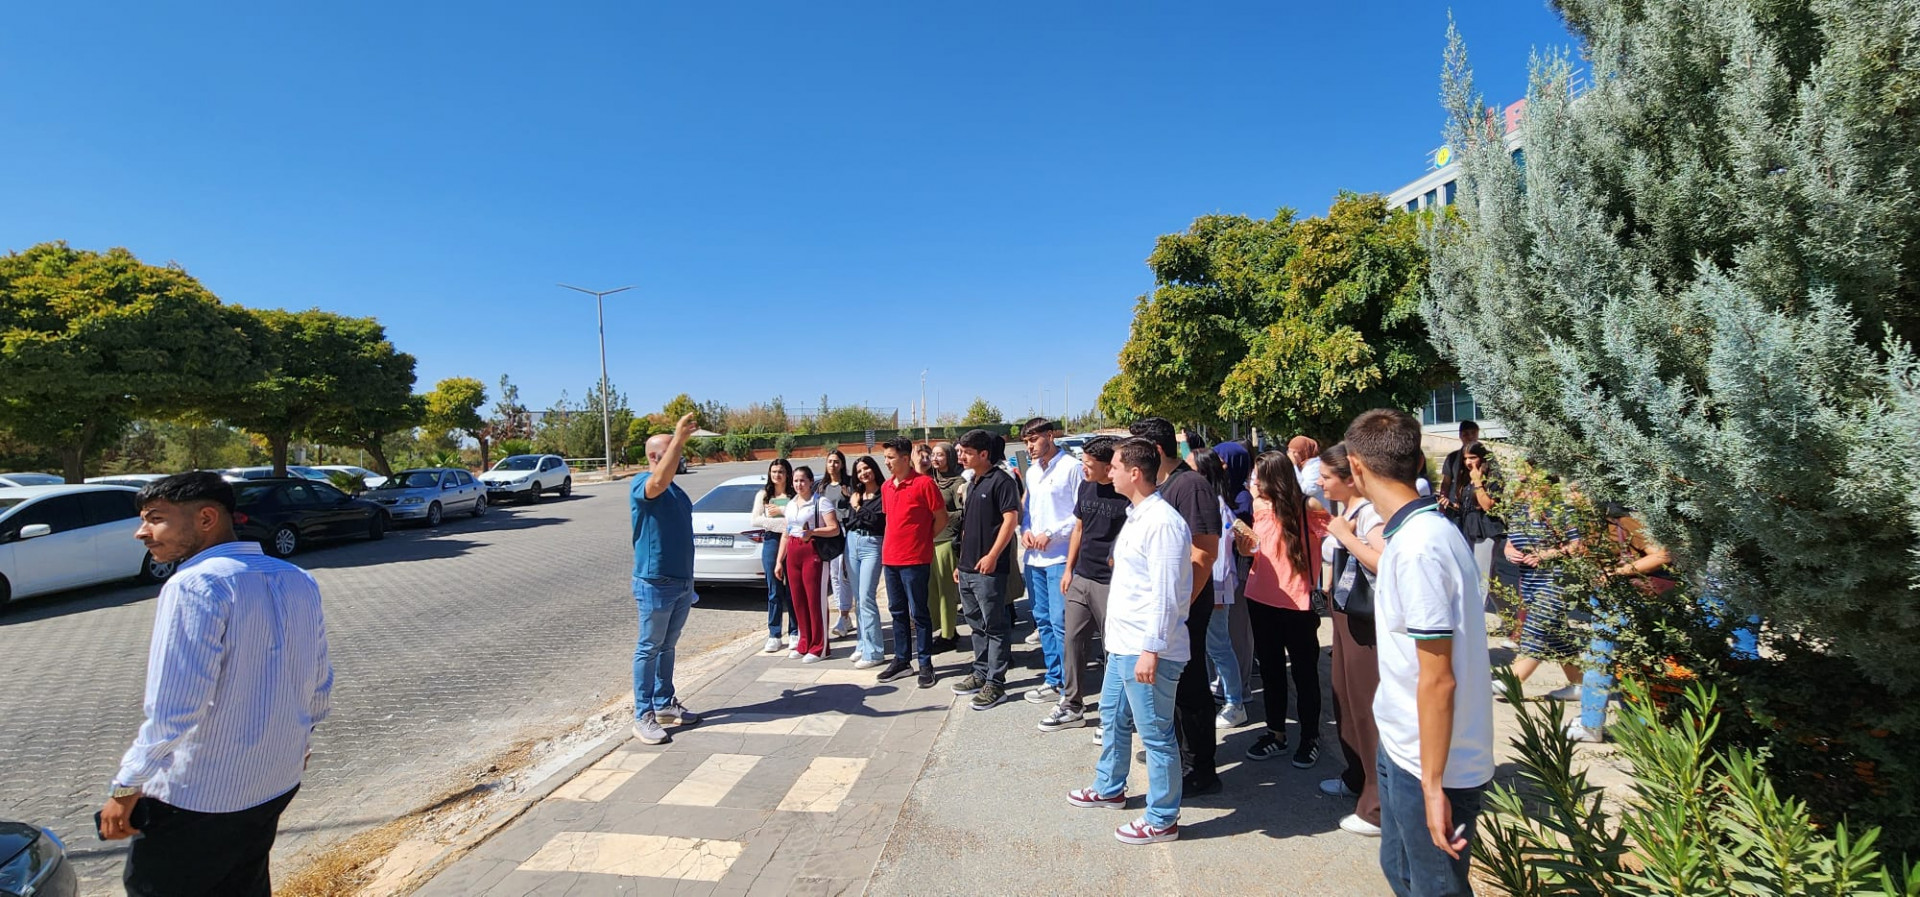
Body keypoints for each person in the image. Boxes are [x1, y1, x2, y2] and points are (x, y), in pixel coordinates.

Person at [101, 472, 333, 895]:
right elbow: (318, 683)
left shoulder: (194, 584)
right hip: (275, 781)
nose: (142, 532)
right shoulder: (298, 578)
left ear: (207, 518)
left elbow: (175, 708)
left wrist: (127, 785)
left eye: (155, 518)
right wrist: (297, 741)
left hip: (200, 796)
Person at [1344, 408, 1492, 897]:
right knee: (1401, 871)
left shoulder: (1419, 547)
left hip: (1434, 763)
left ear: (1356, 466)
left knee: (1433, 886)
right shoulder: (1413, 533)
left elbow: (1438, 677)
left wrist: (1433, 786)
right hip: (1404, 743)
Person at [1065, 438, 1192, 845]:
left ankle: (1162, 818)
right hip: (1123, 645)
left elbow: (1167, 594)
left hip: (1147, 649)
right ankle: (1109, 787)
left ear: (1135, 473)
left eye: (1116, 466)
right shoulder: (1137, 515)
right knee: (1112, 716)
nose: (1110, 472)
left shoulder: (1163, 523)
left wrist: (1151, 649)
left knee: (1155, 734)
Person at [1129, 417, 1223, 796]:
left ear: (1155, 450)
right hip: (1171, 608)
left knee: (1191, 686)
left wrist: (1180, 608)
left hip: (1186, 608)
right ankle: (1180, 754)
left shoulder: (1190, 485)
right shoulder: (1166, 485)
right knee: (1175, 686)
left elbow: (1205, 552)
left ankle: (1201, 768)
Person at [1238, 450, 1329, 768]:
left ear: (1273, 478)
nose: (1252, 480)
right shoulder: (1258, 507)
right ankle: (1276, 734)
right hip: (1260, 598)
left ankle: (1310, 737)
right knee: (1271, 670)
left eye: (1257, 475)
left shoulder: (1308, 507)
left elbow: (1336, 537)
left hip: (1297, 602)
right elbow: (1260, 550)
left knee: (1304, 674)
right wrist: (1245, 547)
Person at [1318, 443, 1387, 837]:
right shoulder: (1346, 511)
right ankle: (1357, 776)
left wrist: (1346, 536)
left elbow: (1385, 561)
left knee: (1366, 706)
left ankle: (1377, 805)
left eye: (1327, 476)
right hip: (1344, 615)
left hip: (1365, 621)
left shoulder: (1369, 514)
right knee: (1345, 698)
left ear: (1350, 478)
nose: (1321, 482)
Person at [624, 413, 705, 744]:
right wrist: (679, 436)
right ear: (656, 457)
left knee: (667, 647)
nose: (681, 455)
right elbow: (656, 483)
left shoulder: (677, 490)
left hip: (682, 581)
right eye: (674, 450)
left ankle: (663, 703)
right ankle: (642, 715)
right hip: (655, 582)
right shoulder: (642, 483)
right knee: (649, 648)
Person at [1045, 435, 1126, 733]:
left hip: (1111, 583)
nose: (1083, 468)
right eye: (1083, 462)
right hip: (1082, 576)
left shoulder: (1125, 492)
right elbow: (1079, 528)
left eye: (1089, 464)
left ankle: (1114, 714)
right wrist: (1069, 569)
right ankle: (1071, 704)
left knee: (1112, 648)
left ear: (1108, 466)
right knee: (1073, 640)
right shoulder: (1085, 486)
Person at [948, 429, 1023, 709]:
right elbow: (968, 527)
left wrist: (993, 555)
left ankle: (996, 682)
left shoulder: (1001, 481)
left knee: (994, 626)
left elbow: (1010, 520)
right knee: (976, 625)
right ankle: (980, 673)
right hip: (968, 568)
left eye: (967, 453)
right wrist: (961, 563)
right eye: (961, 452)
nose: (961, 457)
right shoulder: (973, 482)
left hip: (989, 569)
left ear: (983, 454)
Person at [1501, 475, 1586, 702]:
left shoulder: (1561, 511)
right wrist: (1509, 553)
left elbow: (1577, 545)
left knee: (1536, 630)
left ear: (1549, 485)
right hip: (1529, 582)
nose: (1529, 487)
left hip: (1555, 581)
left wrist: (1547, 555)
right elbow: (1510, 544)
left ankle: (1511, 682)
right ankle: (1579, 685)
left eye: (1534, 482)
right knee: (1558, 635)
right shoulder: (1519, 513)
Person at [1018, 417, 1084, 706]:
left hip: (1060, 557)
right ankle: (1054, 677)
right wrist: (1026, 530)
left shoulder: (1071, 468)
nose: (1030, 447)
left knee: (1060, 622)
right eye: (1026, 442)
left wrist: (1051, 533)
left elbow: (1080, 514)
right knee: (1042, 620)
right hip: (1035, 559)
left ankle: (1070, 686)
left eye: (1033, 440)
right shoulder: (1032, 472)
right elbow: (1029, 510)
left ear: (1050, 436)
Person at [878, 436, 948, 688]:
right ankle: (902, 660)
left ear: (906, 458)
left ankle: (926, 664)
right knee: (897, 611)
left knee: (919, 612)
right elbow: (891, 520)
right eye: (885, 457)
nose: (886, 462)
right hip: (890, 558)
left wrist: (923, 540)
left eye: (890, 457)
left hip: (915, 559)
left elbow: (941, 518)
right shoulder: (887, 487)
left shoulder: (924, 484)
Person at [1189, 447, 1248, 729]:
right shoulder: (1208, 501)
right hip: (1207, 587)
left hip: (1213, 588)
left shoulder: (1215, 505)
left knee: (1219, 647)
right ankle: (1225, 690)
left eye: (1190, 467)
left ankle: (1236, 703)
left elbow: (1222, 556)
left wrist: (1219, 594)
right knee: (1212, 647)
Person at [1213, 439, 1259, 719]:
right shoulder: (1222, 493)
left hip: (1238, 571)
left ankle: (1241, 687)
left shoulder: (1242, 498)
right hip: (1227, 572)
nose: (1219, 466)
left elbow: (1246, 537)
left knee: (1237, 631)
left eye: (1223, 461)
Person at [776, 465, 840, 663]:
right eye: (795, 481)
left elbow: (834, 528)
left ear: (811, 481)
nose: (799, 484)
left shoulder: (820, 502)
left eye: (802, 480)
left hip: (813, 551)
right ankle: (804, 642)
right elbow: (786, 533)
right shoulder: (790, 504)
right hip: (793, 552)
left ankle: (820, 647)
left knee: (815, 599)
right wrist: (779, 561)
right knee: (798, 600)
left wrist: (812, 532)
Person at [1438, 421, 1497, 604]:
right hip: (1461, 518)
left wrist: (1477, 480)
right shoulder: (1454, 459)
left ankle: (1479, 609)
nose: (1469, 462)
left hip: (1482, 525)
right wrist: (1445, 503)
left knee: (1482, 571)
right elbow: (1447, 484)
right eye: (1465, 434)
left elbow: (1488, 504)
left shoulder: (1488, 462)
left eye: (1472, 433)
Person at [842, 456, 888, 669]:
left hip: (872, 545)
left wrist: (859, 508)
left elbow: (878, 522)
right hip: (852, 542)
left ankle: (875, 651)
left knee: (867, 597)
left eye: (866, 468)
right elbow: (852, 522)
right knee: (859, 599)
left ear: (874, 469)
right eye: (859, 471)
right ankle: (862, 643)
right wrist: (858, 509)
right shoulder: (857, 494)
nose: (863, 473)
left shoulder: (883, 493)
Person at [750, 459, 797, 653]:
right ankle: (774, 634)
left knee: (793, 589)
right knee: (774, 590)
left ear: (788, 474)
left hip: (793, 541)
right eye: (774, 471)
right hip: (771, 542)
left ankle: (795, 631)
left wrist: (782, 513)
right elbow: (755, 520)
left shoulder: (794, 495)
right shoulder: (763, 495)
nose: (777, 475)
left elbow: (797, 519)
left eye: (781, 471)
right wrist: (781, 522)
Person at [928, 442, 967, 653]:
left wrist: (941, 516)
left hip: (946, 541)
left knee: (946, 591)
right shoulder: (930, 481)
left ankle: (948, 635)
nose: (935, 459)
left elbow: (963, 513)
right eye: (933, 454)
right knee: (932, 591)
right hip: (930, 541)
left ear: (950, 457)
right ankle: (943, 628)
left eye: (940, 455)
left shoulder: (958, 482)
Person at [821, 450, 857, 639]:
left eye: (836, 461)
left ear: (842, 464)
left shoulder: (849, 484)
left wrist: (849, 495)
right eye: (830, 461)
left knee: (844, 574)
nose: (833, 465)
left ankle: (843, 616)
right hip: (829, 532)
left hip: (845, 530)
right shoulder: (822, 486)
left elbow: (857, 506)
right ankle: (844, 615)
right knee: (833, 574)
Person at [1289, 435, 1327, 508]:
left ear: (1304, 452)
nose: (1291, 456)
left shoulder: (1315, 466)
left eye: (1294, 452)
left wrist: (1294, 466)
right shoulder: (1300, 465)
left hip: (1317, 510)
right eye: (1289, 452)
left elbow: (1308, 490)